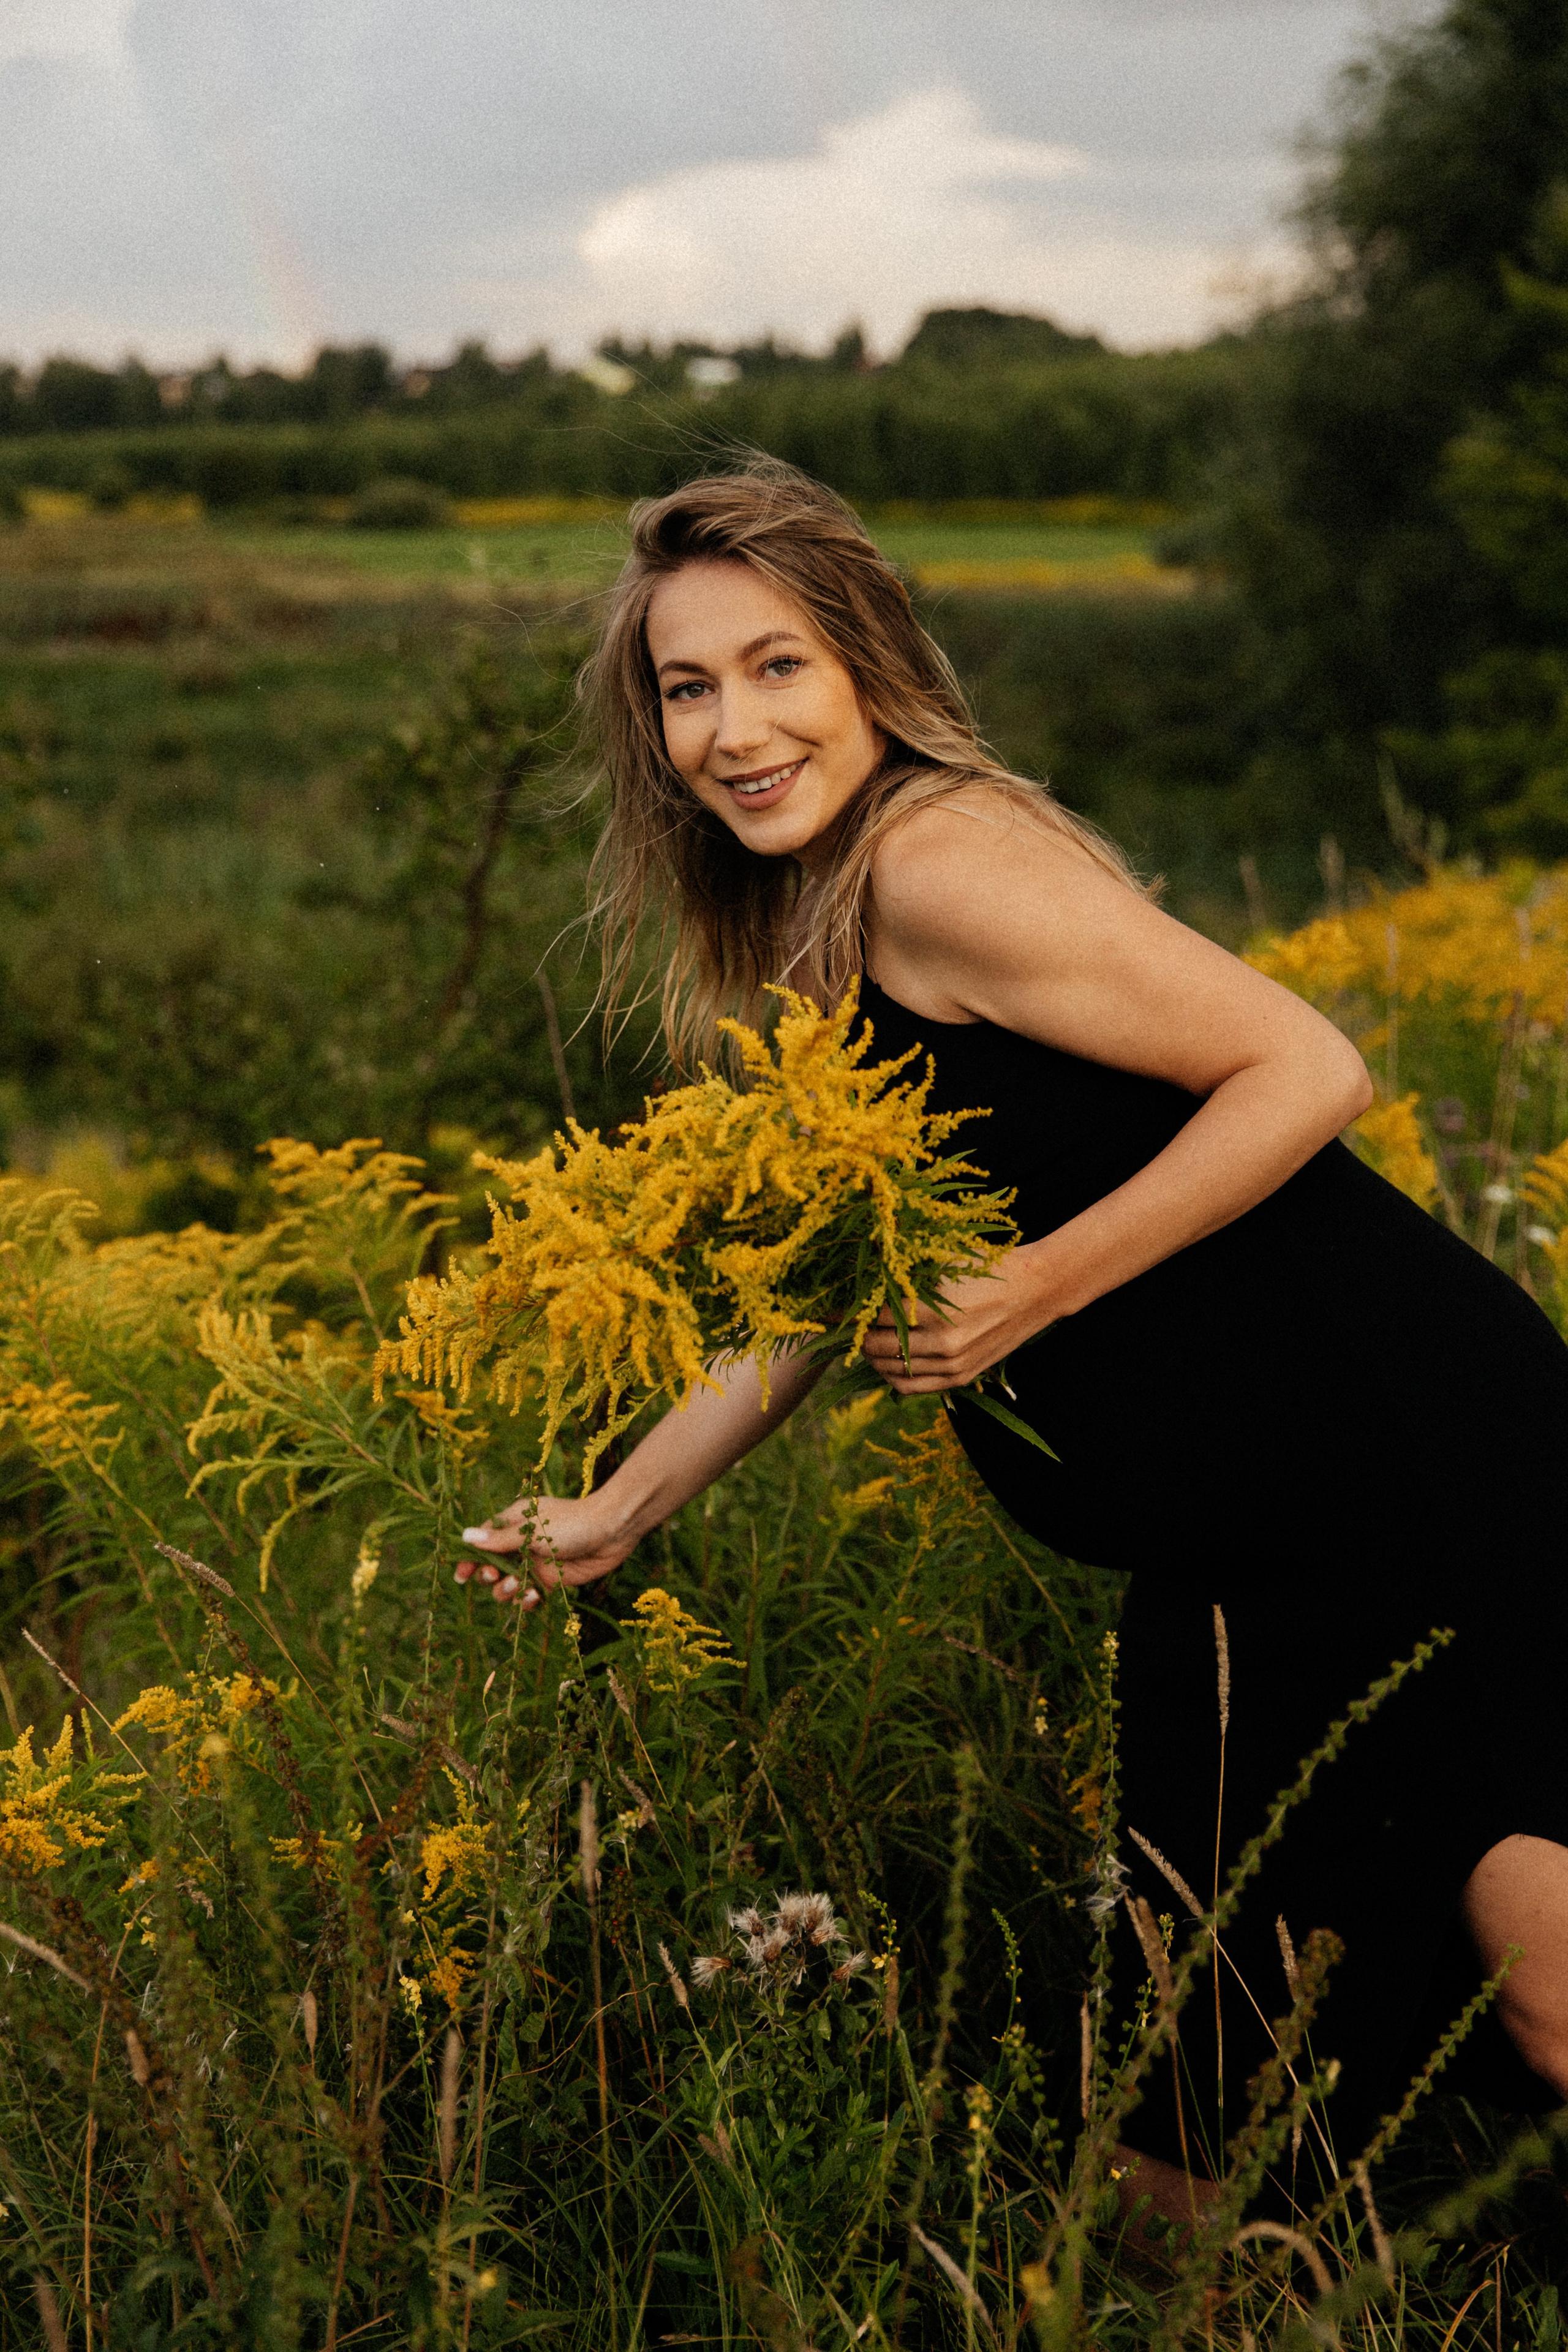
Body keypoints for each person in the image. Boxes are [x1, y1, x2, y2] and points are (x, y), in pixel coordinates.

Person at [453, 462, 1568, 2220]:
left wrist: (1036, 1286)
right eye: (687, 688)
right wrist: (627, 1506)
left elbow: (1310, 1066)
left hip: (1412, 1480)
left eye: (778, 668)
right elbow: (836, 1279)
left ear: (872, 669)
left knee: (1480, 2020)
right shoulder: (812, 923)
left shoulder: (940, 862)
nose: (733, 728)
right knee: (1208, 2101)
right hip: (1244, 1563)